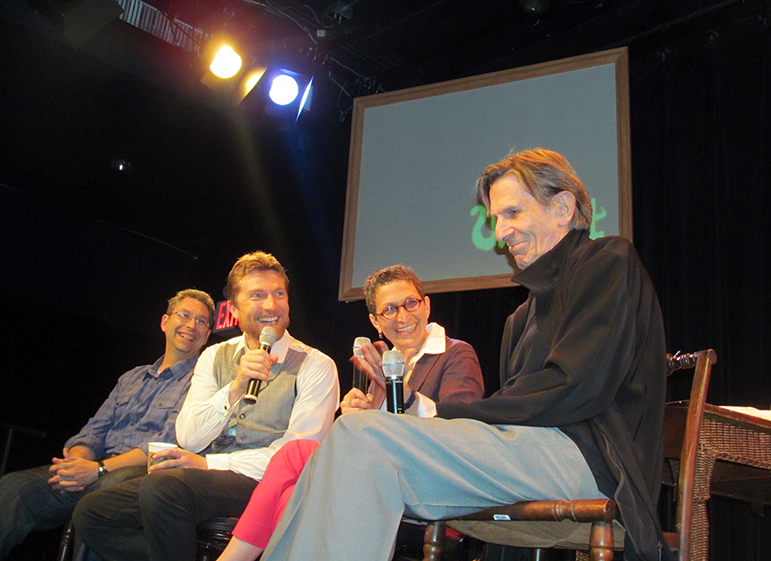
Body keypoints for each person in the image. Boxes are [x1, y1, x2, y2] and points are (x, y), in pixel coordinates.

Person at [257, 149, 675, 561]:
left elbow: (575, 387)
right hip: (532, 452)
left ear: (563, 207)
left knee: (361, 435)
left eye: (512, 213)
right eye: (495, 219)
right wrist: (421, 411)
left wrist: (435, 412)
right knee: (348, 443)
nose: (500, 233)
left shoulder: (607, 262)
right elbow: (517, 407)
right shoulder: (521, 318)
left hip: (592, 461)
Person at [73, 251, 340, 561]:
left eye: (279, 294)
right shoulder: (214, 356)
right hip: (204, 477)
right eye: (257, 295)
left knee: (163, 489)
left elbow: (297, 458)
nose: (271, 305)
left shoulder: (316, 365)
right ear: (235, 309)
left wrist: (210, 464)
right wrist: (235, 387)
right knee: (93, 513)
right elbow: (189, 437)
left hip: (263, 484)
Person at [215, 264, 485, 561]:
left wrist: (405, 396)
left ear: (427, 305)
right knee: (294, 496)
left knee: (294, 454)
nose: (403, 316)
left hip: (425, 486)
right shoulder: (379, 364)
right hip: (376, 480)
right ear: (375, 321)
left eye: (411, 303)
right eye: (389, 310)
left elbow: (463, 431)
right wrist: (356, 417)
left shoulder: (455, 353)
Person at [0, 289, 215, 561]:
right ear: (165, 321)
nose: (191, 325)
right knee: (13, 487)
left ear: (207, 335)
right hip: (95, 469)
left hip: (141, 477)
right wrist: (77, 464)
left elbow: (168, 443)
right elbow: (94, 430)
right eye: (184, 315)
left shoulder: (202, 383)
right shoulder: (131, 377)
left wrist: (99, 469)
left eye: (201, 321)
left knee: (103, 495)